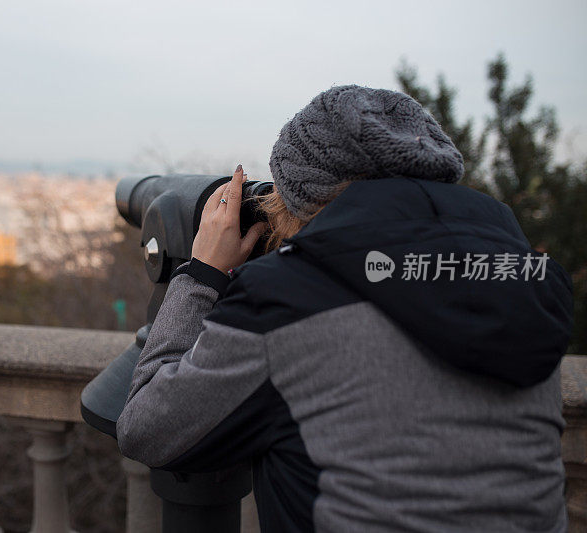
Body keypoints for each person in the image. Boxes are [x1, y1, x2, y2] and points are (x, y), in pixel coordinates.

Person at [116, 85, 574, 532]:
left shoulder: (289, 299)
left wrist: (202, 274)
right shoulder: (518, 284)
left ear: (299, 198)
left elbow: (148, 428)